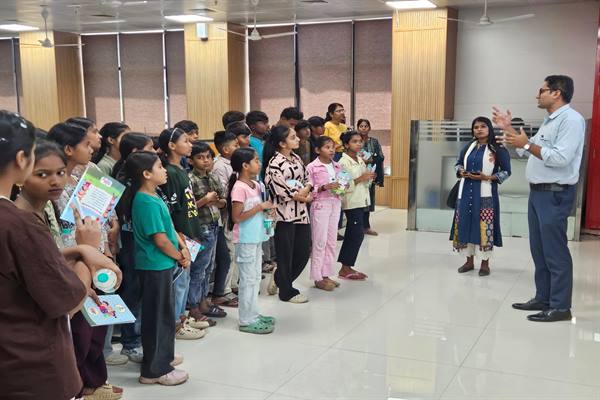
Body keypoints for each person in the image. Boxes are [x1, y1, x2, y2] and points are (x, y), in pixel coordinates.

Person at [0, 111, 107, 400]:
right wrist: (87, 252)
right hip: (29, 368)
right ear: (22, 159)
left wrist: (73, 250)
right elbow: (67, 300)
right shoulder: (18, 223)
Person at [493, 74, 585, 323]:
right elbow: (529, 150)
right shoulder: (550, 121)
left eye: (542, 90)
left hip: (555, 193)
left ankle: (560, 306)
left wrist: (526, 145)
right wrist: (508, 129)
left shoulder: (571, 120)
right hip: (538, 194)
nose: (537, 94)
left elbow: (560, 158)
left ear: (556, 93)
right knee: (539, 250)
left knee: (555, 252)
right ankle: (543, 298)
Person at [122, 151, 190, 386]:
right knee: (157, 318)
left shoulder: (154, 195)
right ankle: (154, 370)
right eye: (159, 167)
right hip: (154, 265)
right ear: (146, 174)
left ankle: (163, 357)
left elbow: (168, 227)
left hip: (161, 264)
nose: (164, 170)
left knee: (163, 315)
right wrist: (179, 256)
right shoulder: (145, 201)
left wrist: (181, 247)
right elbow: (160, 240)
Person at [158, 127, 212, 337]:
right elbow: (171, 209)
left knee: (186, 278)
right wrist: (180, 236)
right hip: (181, 235)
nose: (191, 145)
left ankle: (181, 317)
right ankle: (175, 324)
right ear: (172, 146)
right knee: (179, 281)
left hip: (190, 231)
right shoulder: (170, 173)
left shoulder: (180, 169)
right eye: (186, 141)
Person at [112, 132, 155, 363]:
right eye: (150, 149)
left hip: (140, 241)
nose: (155, 153)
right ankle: (130, 342)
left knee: (141, 291)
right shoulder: (124, 181)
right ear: (136, 153)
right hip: (130, 242)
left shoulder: (139, 180)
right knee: (132, 290)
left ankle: (143, 339)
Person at [450, 117, 511, 277]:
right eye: (476, 127)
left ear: (489, 128)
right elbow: (458, 163)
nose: (479, 129)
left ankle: (485, 264)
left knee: (485, 227)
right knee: (465, 224)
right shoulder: (468, 147)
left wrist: (487, 177)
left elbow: (506, 171)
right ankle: (469, 261)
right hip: (465, 194)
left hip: (485, 195)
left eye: (483, 126)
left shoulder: (498, 149)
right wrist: (461, 171)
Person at [227, 147, 276, 333]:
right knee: (247, 280)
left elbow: (261, 207)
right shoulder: (239, 188)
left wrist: (268, 210)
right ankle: (246, 320)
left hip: (257, 236)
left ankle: (253, 314)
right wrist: (259, 208)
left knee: (255, 278)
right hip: (245, 239)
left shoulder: (258, 185)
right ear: (245, 165)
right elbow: (237, 217)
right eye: (256, 160)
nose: (259, 163)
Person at [264, 125, 312, 303]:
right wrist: (301, 196)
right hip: (284, 215)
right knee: (285, 254)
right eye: (293, 137)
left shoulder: (296, 158)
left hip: (301, 212)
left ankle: (279, 278)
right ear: (282, 143)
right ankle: (286, 291)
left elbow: (307, 178)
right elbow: (279, 189)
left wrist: (307, 189)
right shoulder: (274, 163)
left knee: (303, 252)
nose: (298, 139)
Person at [187, 141, 233, 322]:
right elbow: (188, 208)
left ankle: (203, 300)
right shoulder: (190, 179)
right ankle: (193, 306)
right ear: (191, 161)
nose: (205, 161)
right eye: (200, 157)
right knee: (198, 269)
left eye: (208, 157)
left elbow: (223, 201)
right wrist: (206, 200)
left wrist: (216, 201)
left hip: (214, 225)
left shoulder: (212, 177)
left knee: (208, 267)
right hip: (200, 228)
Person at [306, 136, 343, 291]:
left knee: (331, 241)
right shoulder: (312, 167)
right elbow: (307, 188)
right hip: (320, 205)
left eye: (332, 147)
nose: (331, 150)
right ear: (317, 150)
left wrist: (343, 186)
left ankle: (326, 274)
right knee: (319, 241)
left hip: (335, 203)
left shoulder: (338, 166)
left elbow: (342, 184)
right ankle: (317, 277)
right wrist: (323, 187)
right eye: (327, 147)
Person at [337, 131, 375, 280]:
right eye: (354, 141)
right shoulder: (343, 162)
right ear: (346, 144)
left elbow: (364, 181)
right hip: (351, 202)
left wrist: (369, 177)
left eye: (360, 141)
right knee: (356, 234)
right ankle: (345, 268)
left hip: (361, 200)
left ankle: (346, 266)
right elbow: (341, 186)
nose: (359, 144)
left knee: (355, 234)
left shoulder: (359, 159)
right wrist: (360, 178)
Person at [213, 130, 241, 299]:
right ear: (225, 149)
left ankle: (233, 283)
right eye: (235, 145)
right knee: (229, 251)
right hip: (226, 214)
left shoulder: (233, 163)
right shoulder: (220, 166)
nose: (238, 147)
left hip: (235, 212)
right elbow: (222, 191)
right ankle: (225, 289)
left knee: (236, 249)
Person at [357, 119, 384, 236]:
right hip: (357, 174)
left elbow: (381, 156)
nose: (363, 128)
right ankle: (358, 227)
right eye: (361, 126)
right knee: (358, 200)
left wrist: (372, 159)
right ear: (358, 128)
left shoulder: (374, 141)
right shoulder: (355, 140)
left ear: (369, 128)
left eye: (366, 126)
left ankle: (366, 227)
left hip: (371, 173)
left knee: (368, 200)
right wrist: (362, 160)